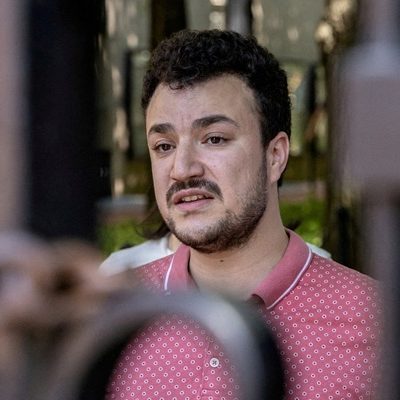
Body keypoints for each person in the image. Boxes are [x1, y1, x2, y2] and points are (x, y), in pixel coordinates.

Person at [104, 29, 382, 399]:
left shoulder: (376, 323)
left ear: (275, 156)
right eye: (164, 146)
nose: (182, 169)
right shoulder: (113, 318)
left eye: (214, 139)